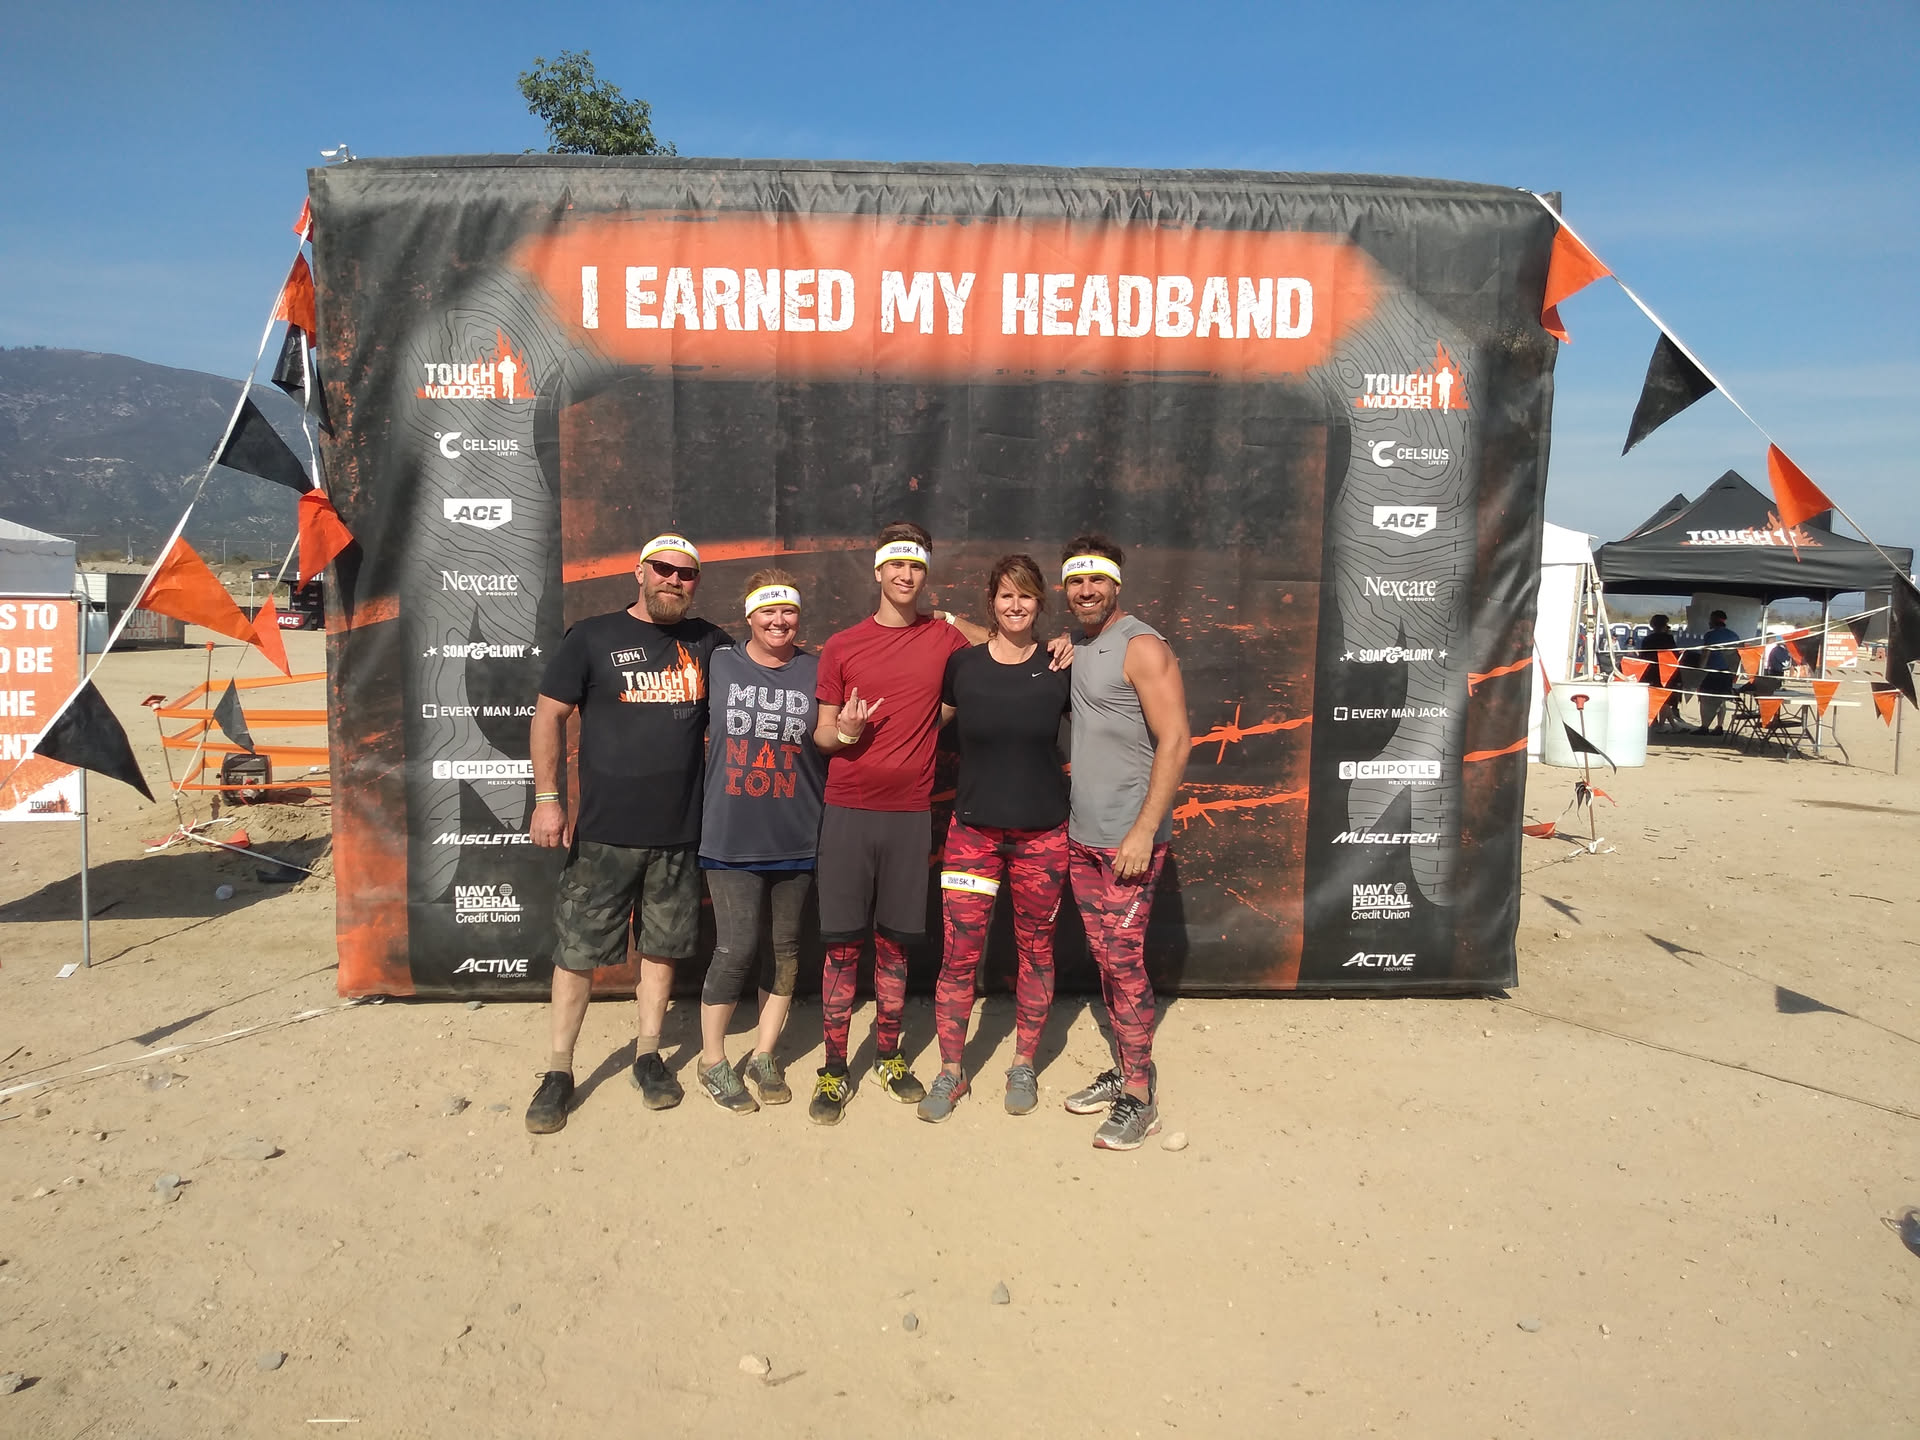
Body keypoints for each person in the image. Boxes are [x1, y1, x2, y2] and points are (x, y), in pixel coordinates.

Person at [522, 533, 731, 1135]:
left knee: (661, 951)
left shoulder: (709, 643)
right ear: (639, 573)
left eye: (686, 574)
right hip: (604, 835)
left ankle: (648, 1055)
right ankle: (558, 1070)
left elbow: (767, 676)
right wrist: (547, 801)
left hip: (680, 834)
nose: (674, 580)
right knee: (577, 954)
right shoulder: (592, 637)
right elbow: (549, 715)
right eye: (662, 569)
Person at [807, 522, 984, 1124]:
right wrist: (846, 732)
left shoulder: (944, 637)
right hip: (848, 812)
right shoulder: (843, 645)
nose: (906, 576)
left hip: (910, 816)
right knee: (841, 948)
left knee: (894, 946)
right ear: (879, 572)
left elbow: (1001, 645)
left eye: (916, 567)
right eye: (896, 566)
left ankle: (888, 1055)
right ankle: (834, 1070)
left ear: (924, 575)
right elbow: (822, 735)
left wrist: (953, 617)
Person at [919, 554, 1073, 1123]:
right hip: (973, 836)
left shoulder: (1060, 665)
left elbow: (1108, 719)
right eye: (1006, 595)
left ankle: (1023, 1062)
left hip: (1043, 837)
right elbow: (922, 725)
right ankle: (951, 1070)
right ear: (991, 602)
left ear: (1039, 603)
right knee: (959, 956)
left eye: (1026, 595)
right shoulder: (963, 666)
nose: (1015, 605)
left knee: (1036, 952)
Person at [1057, 536, 1190, 1151]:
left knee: (1123, 959)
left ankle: (1140, 1097)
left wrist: (1142, 830)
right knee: (1105, 958)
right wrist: (948, 619)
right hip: (1082, 837)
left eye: (1097, 581)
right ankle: (1125, 1069)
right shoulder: (1080, 646)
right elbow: (1006, 642)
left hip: (1128, 843)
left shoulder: (1142, 646)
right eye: (1076, 582)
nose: (1086, 591)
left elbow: (1176, 740)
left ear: (1117, 584)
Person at [692, 570, 828, 1114]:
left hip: (797, 833)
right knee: (736, 947)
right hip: (730, 835)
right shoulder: (719, 662)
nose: (779, 621)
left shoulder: (817, 670)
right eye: (768, 611)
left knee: (786, 950)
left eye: (788, 611)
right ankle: (712, 1061)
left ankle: (764, 1055)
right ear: (749, 615)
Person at [1696, 609, 1741, 735]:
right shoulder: (1734, 635)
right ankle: (1719, 726)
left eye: (1710, 619)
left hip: (1711, 671)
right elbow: (1737, 656)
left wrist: (1699, 669)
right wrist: (1734, 673)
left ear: (1713, 620)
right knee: (1721, 700)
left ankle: (1704, 726)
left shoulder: (1710, 635)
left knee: (1705, 699)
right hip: (1727, 672)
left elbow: (1706, 653)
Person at [1641, 615, 1682, 731]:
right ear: (1664, 626)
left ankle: (1659, 723)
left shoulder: (1647, 639)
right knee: (1665, 700)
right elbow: (1674, 655)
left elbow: (1643, 655)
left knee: (1653, 698)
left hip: (1650, 671)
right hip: (1665, 671)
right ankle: (1662, 726)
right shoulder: (1668, 638)